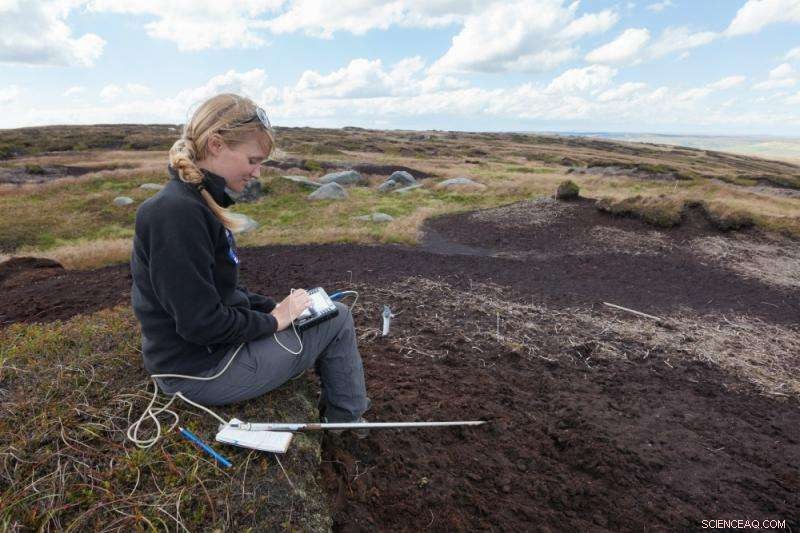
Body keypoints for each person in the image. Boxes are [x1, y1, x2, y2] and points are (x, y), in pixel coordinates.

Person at [130, 93, 369, 426]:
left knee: (317, 313)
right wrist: (274, 321)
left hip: (202, 360)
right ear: (216, 144)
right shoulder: (176, 213)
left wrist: (278, 307)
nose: (257, 172)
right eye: (253, 160)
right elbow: (201, 323)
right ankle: (348, 424)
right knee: (338, 318)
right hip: (201, 373)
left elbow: (220, 293)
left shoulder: (193, 204)